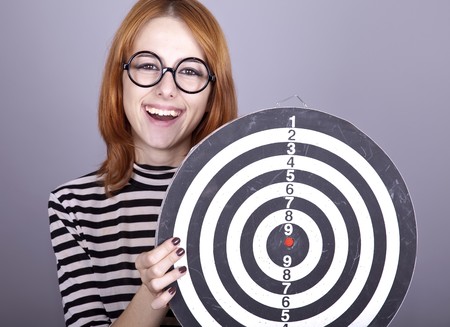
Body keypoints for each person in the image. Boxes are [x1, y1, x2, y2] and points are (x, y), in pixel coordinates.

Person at [48, 0, 237, 326]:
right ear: (119, 79)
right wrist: (152, 294)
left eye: (190, 71)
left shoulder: (246, 196)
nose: (167, 89)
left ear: (211, 95)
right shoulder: (72, 206)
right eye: (148, 65)